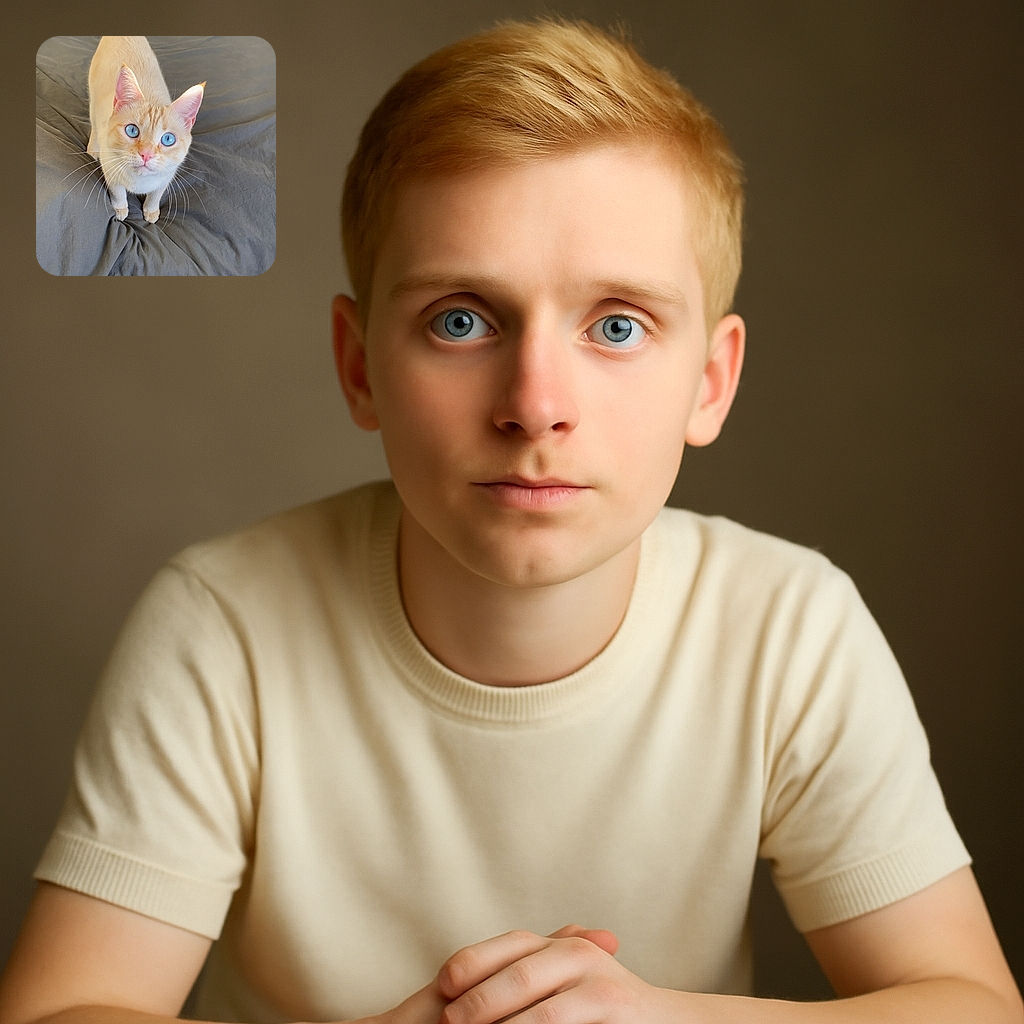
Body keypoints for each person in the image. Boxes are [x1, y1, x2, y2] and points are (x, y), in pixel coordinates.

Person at [1, 17, 1020, 1024]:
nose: (535, 405)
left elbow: (972, 1006)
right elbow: (64, 1011)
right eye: (461, 320)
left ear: (710, 382)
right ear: (360, 367)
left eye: (616, 325)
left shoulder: (790, 631)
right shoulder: (225, 625)